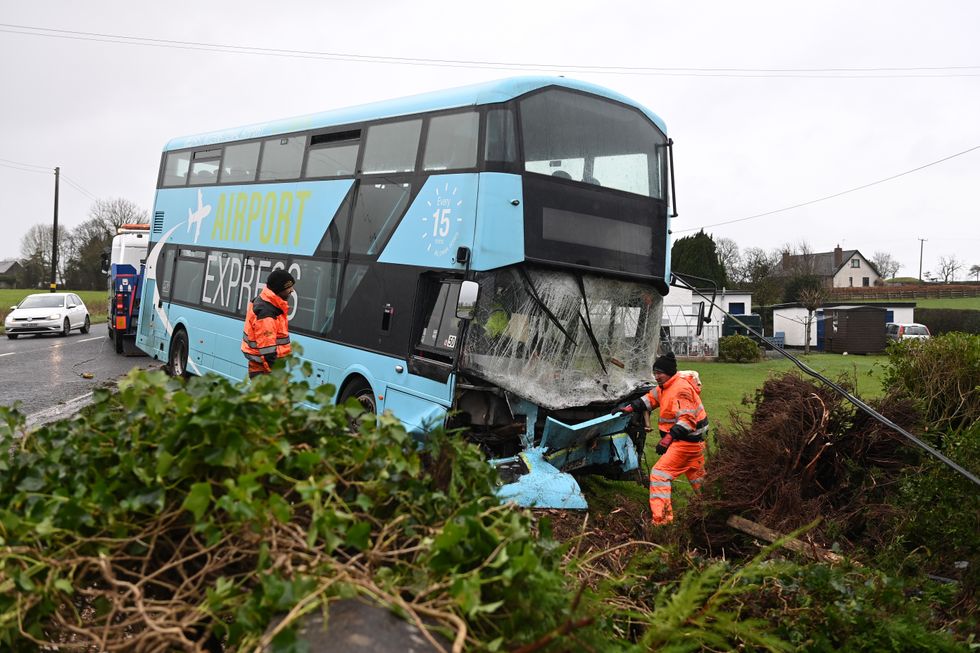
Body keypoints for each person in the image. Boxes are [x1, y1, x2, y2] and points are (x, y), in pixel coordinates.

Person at [612, 352, 708, 525]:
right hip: (694, 444)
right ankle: (715, 510)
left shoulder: (681, 390)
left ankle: (662, 521)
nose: (656, 377)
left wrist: (667, 439)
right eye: (654, 373)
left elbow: (687, 421)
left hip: (686, 443)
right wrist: (628, 409)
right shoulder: (666, 386)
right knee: (700, 482)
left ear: (669, 372)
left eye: (659, 373)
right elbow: (649, 399)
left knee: (659, 475)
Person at [241, 269, 295, 378]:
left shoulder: (269, 303)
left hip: (263, 368)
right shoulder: (267, 313)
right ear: (278, 289)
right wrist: (277, 375)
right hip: (265, 371)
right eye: (288, 287)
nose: (292, 290)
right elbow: (268, 352)